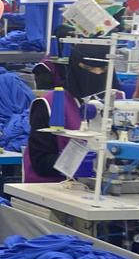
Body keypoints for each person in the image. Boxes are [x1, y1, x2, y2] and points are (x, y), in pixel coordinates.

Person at [25, 42, 116, 182]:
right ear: (74, 66)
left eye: (103, 69)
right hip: (54, 187)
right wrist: (84, 162)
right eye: (88, 68)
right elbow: (41, 162)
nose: (96, 74)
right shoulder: (49, 104)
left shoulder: (118, 101)